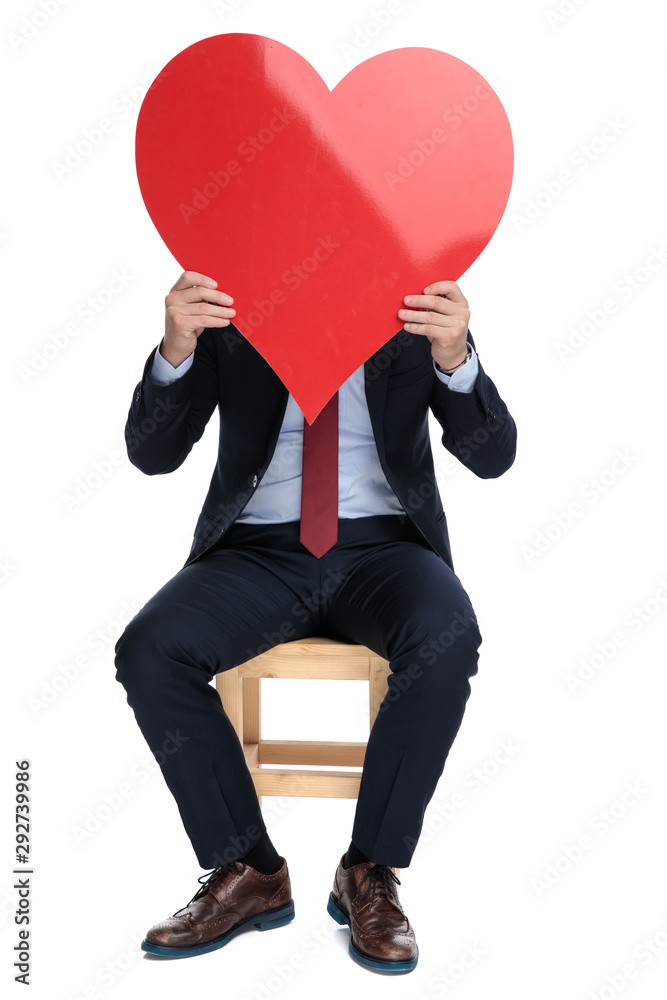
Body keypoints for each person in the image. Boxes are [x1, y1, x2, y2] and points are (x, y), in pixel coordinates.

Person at [114, 270, 517, 974]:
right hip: (256, 552)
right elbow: (153, 455)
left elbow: (492, 458)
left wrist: (455, 358)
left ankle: (370, 869)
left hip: (384, 547)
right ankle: (249, 871)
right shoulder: (230, 300)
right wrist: (176, 346)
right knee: (150, 649)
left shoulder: (414, 299)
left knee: (446, 634)